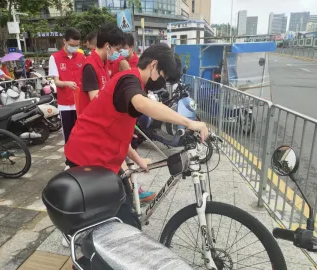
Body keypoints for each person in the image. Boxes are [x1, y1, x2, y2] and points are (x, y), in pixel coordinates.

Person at [64, 43, 209, 229]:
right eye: (163, 77)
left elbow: (118, 130)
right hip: (87, 155)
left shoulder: (134, 83)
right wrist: (189, 122)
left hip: (104, 156)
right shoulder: (129, 80)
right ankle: (84, 240)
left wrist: (137, 158)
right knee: (114, 216)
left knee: (124, 209)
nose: (162, 83)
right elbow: (142, 104)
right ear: (154, 65)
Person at [48, 27, 86, 145]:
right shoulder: (55, 58)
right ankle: (69, 162)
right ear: (64, 41)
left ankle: (81, 159)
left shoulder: (81, 57)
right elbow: (57, 81)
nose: (74, 48)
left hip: (80, 102)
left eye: (76, 45)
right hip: (65, 104)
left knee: (81, 133)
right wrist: (66, 83)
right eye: (71, 45)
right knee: (68, 134)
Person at [78, 23, 124, 114]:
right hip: (91, 119)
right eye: (117, 49)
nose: (118, 53)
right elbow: (95, 98)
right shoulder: (90, 66)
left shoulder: (104, 62)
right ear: (107, 46)